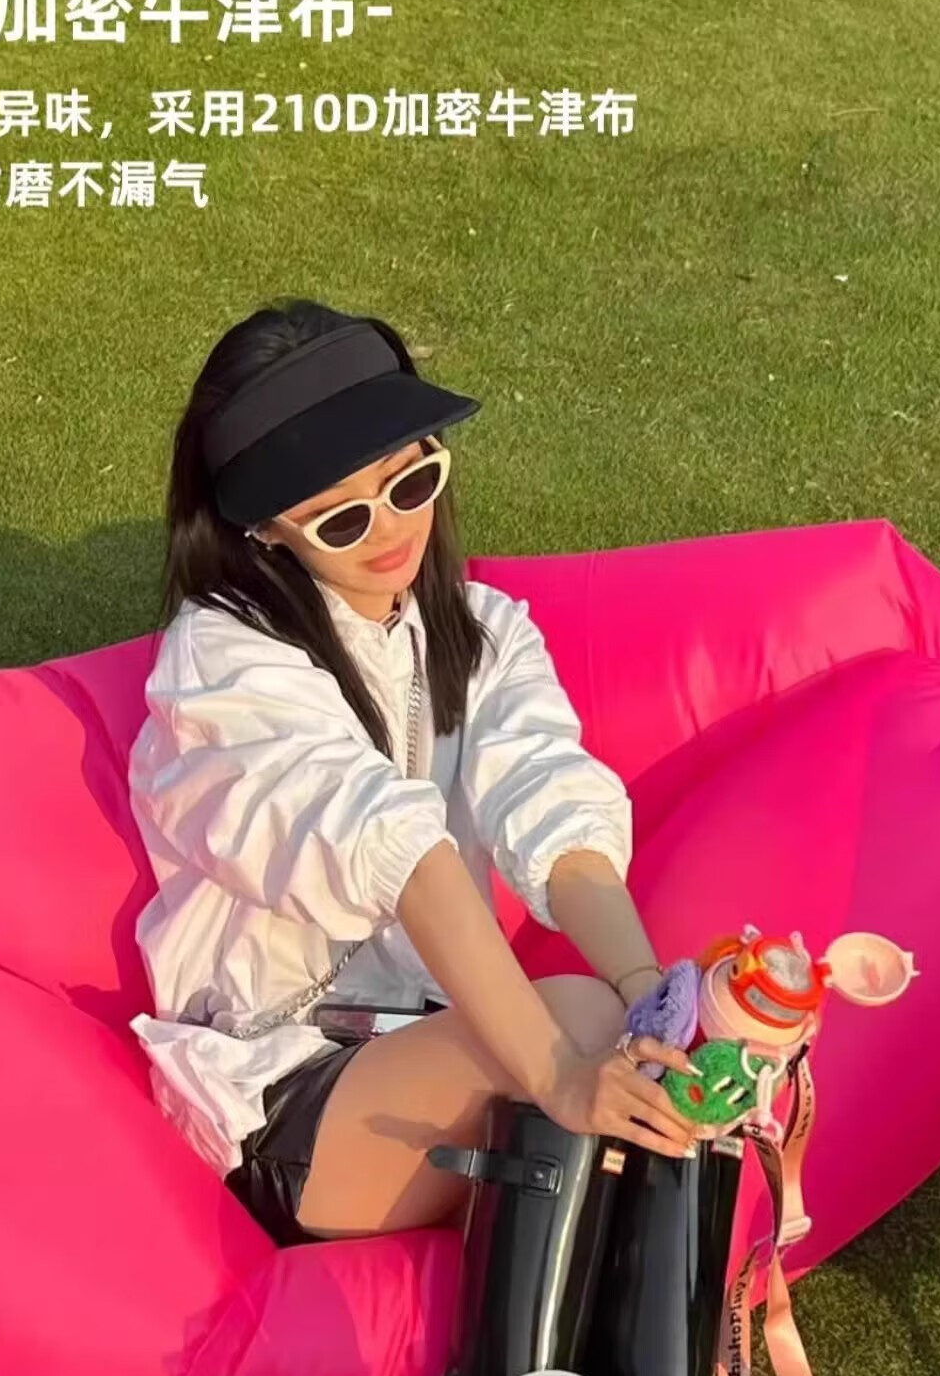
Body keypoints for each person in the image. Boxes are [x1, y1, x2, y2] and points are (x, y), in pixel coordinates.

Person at [126, 296, 699, 1250]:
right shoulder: (223, 667)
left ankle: (662, 1333)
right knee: (577, 1040)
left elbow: (550, 803)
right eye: (341, 518)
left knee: (615, 1024)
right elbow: (392, 849)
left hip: (422, 1034)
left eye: (411, 480)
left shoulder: (482, 633)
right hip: (284, 1086)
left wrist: (659, 1002)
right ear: (264, 531)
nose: (391, 529)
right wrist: (559, 1076)